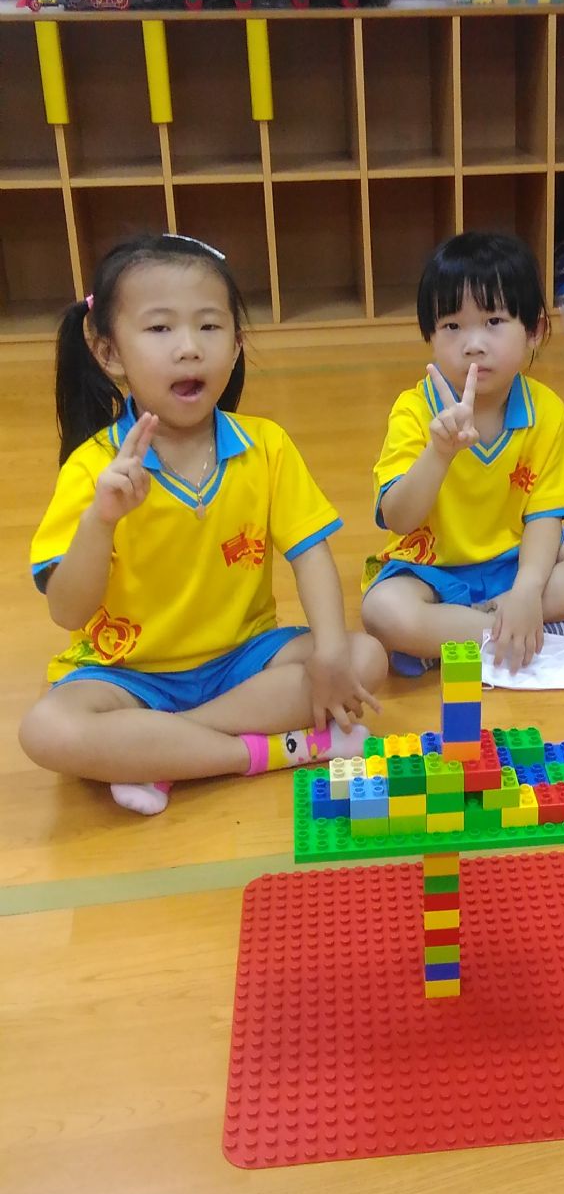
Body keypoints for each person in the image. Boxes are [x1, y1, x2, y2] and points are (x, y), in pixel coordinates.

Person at [20, 232, 386, 814]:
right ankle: (266, 752)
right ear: (108, 352)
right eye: (160, 328)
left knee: (363, 657)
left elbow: (310, 553)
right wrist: (101, 521)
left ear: (237, 345)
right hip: (128, 675)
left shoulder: (266, 446)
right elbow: (67, 611)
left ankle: (162, 752)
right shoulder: (92, 467)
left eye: (210, 326)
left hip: (243, 660)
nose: (189, 348)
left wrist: (331, 652)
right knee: (46, 730)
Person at [361, 230, 564, 675]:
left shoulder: (546, 410)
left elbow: (545, 516)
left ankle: (457, 638)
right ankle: (543, 630)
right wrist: (439, 453)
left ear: (534, 331)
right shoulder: (414, 410)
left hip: (518, 564)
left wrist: (527, 590)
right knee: (383, 611)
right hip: (435, 571)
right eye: (452, 326)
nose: (473, 343)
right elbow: (399, 519)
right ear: (430, 336)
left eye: (493, 321)